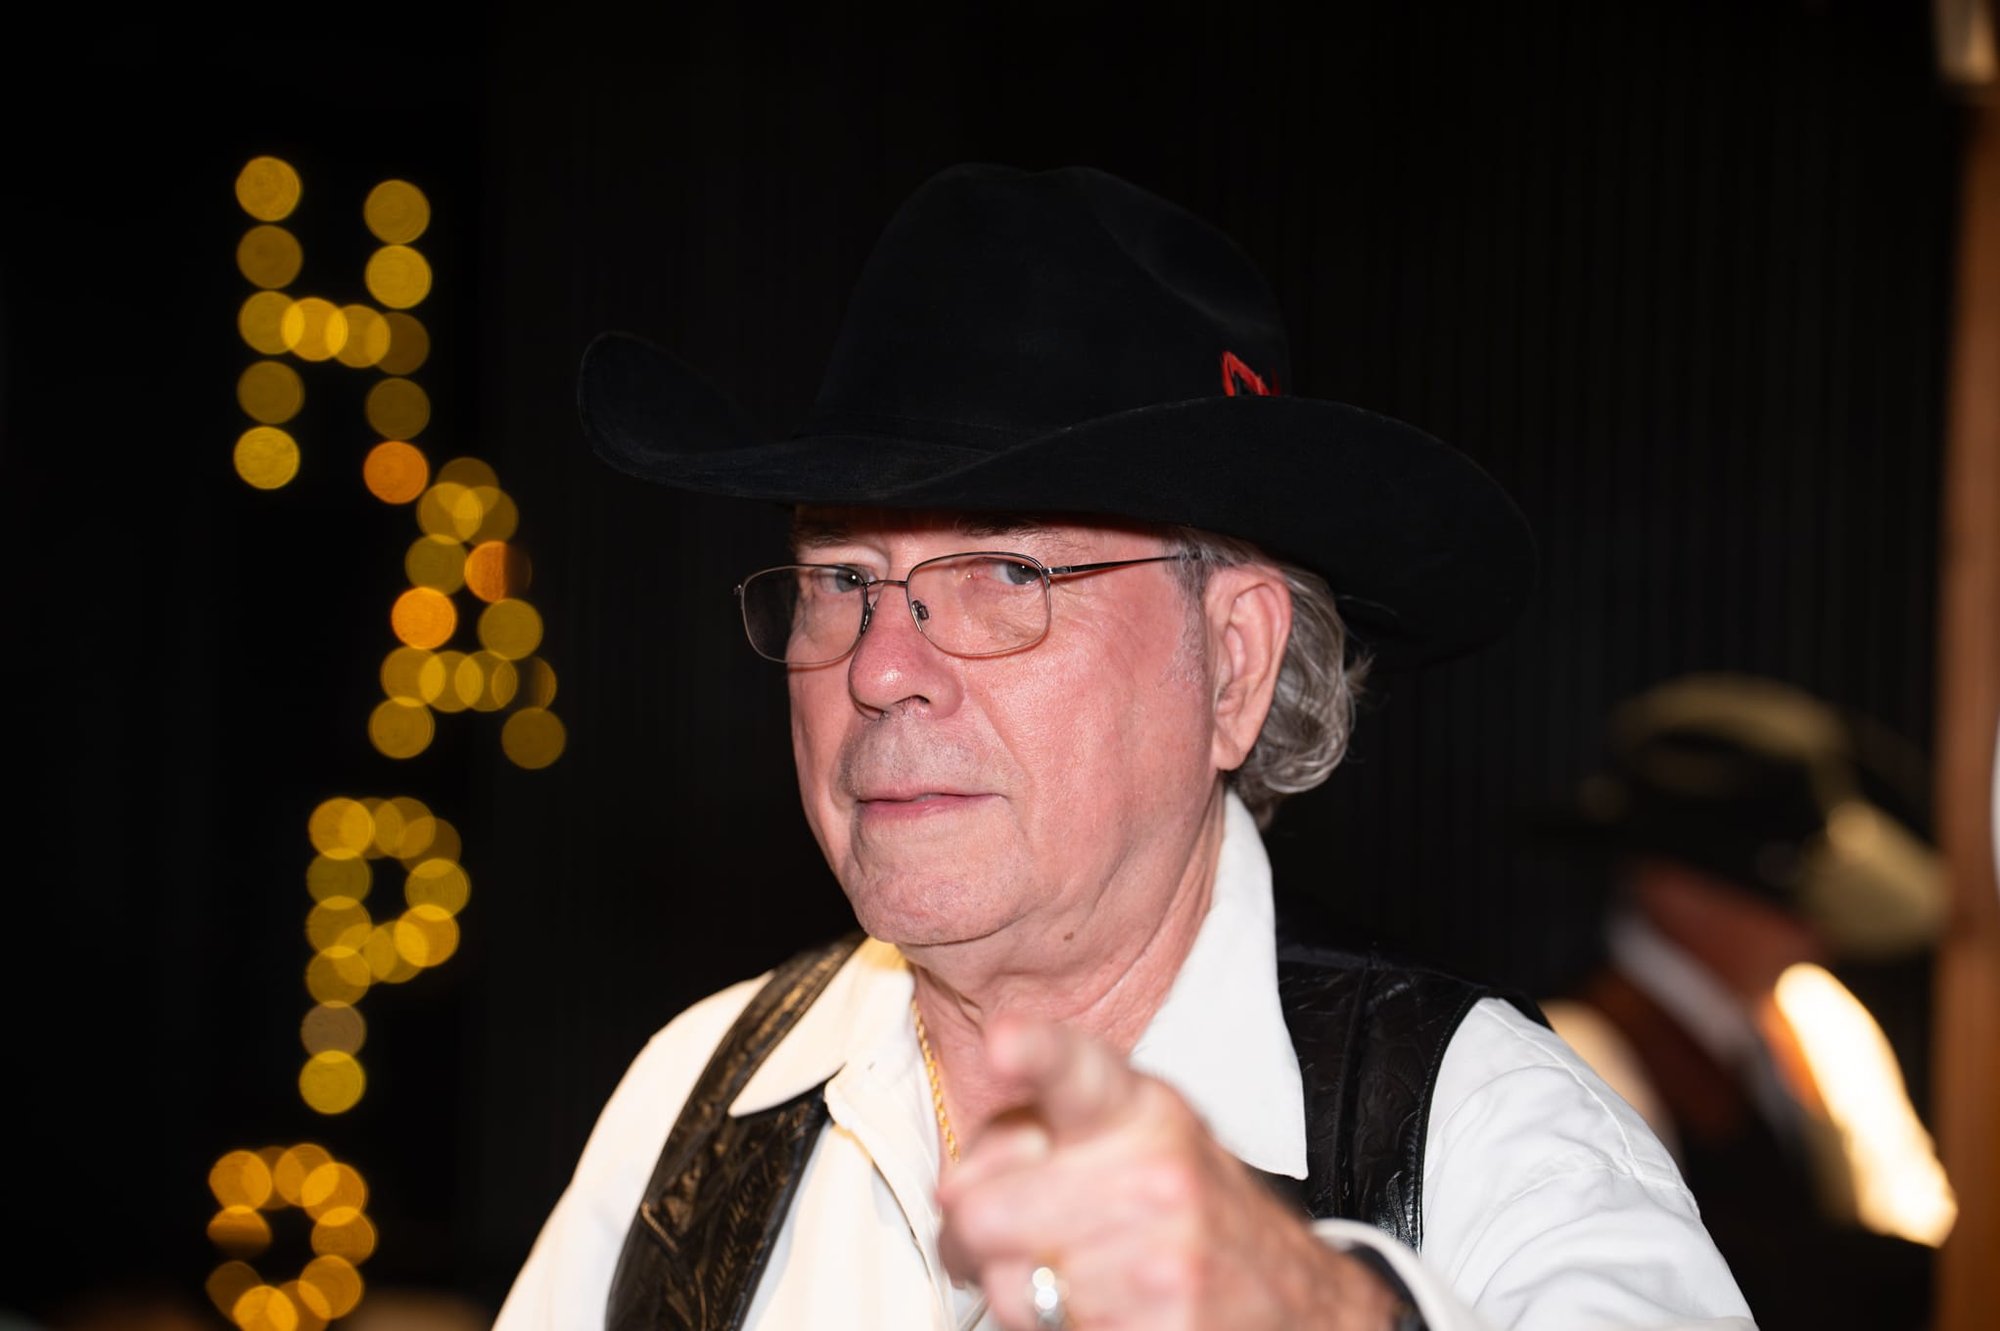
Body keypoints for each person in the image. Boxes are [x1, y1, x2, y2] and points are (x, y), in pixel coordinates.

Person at [495, 163, 1753, 1330]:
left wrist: (1318, 1309)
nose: (876, 669)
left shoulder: (1493, 1136)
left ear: (1236, 664)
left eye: (1004, 569)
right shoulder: (703, 1099)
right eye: (837, 578)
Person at [1532, 672, 1955, 1331]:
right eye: (1784, 896)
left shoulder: (1816, 1022)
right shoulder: (1579, 1056)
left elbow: (1906, 1203)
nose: (1819, 928)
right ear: (1679, 890)